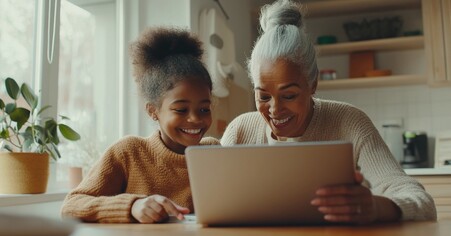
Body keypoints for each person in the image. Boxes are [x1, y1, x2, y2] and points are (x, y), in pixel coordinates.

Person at [220, 0, 436, 224]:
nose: (275, 110)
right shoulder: (240, 131)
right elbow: (212, 202)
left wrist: (375, 206)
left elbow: (422, 202)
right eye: (263, 96)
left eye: (289, 95)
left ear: (313, 83)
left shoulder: (350, 122)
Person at [61, 27, 219, 223]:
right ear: (153, 111)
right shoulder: (128, 152)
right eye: (181, 110)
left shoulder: (213, 151)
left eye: (204, 109)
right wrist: (132, 206)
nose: (195, 119)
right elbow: (71, 206)